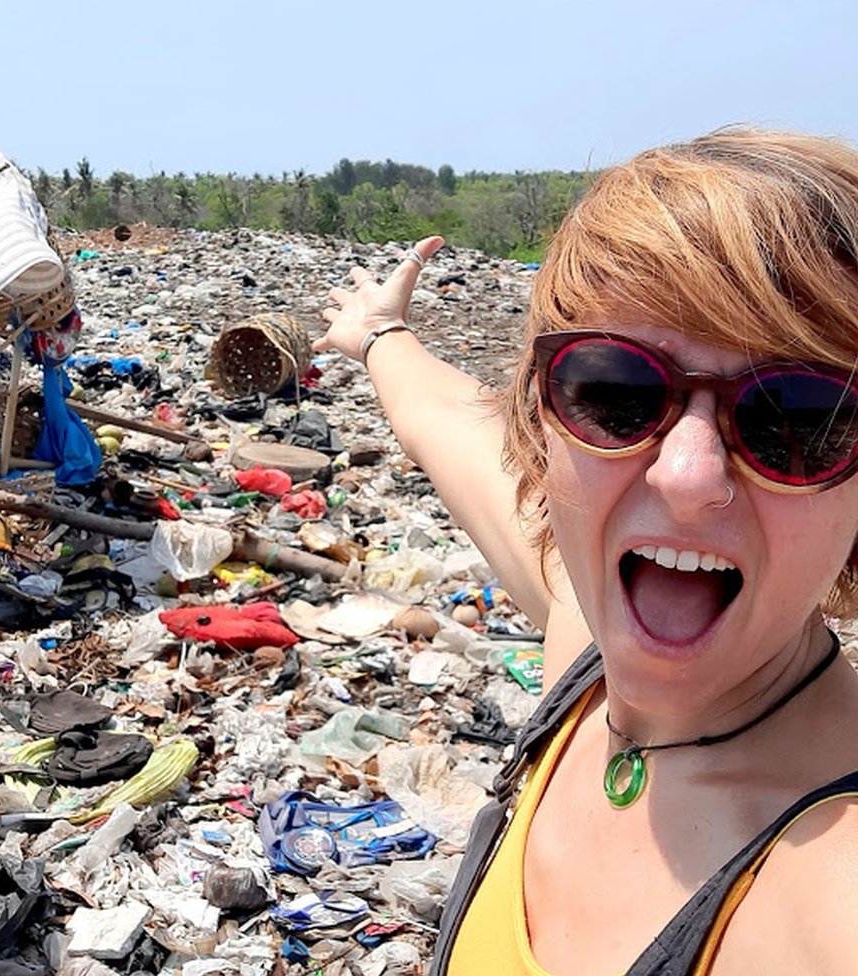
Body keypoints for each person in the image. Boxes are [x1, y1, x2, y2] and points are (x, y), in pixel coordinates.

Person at [317, 128, 858, 975]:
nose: (688, 477)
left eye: (797, 417)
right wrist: (383, 335)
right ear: (542, 418)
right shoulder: (584, 647)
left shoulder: (834, 894)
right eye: (616, 392)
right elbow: (444, 421)